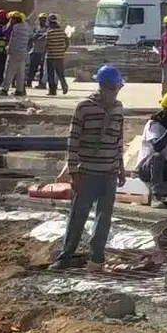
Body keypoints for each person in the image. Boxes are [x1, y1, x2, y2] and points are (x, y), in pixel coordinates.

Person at [49, 64, 127, 272]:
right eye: (112, 88)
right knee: (78, 215)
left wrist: (120, 167)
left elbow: (119, 139)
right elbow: (73, 141)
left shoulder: (118, 108)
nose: (114, 92)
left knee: (104, 218)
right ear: (103, 86)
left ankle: (97, 258)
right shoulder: (84, 107)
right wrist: (74, 172)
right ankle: (66, 255)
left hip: (108, 172)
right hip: (87, 173)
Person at [1, 11, 32, 96]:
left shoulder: (14, 27)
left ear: (14, 19)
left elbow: (5, 32)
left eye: (11, 19)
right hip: (23, 53)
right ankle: (19, 90)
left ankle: (4, 89)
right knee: (20, 72)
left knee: (9, 72)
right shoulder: (26, 27)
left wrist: (9, 24)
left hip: (14, 52)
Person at [44, 13, 70, 95]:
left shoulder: (49, 33)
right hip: (60, 56)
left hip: (51, 56)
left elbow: (46, 45)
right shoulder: (62, 32)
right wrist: (63, 50)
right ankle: (64, 85)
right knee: (60, 73)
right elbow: (67, 42)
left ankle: (52, 91)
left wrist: (45, 53)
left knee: (51, 74)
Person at [27, 13, 48, 89]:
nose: (42, 21)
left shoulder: (47, 28)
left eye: (44, 19)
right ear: (39, 20)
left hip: (43, 52)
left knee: (42, 69)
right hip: (35, 51)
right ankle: (29, 83)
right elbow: (32, 37)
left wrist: (38, 36)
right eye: (41, 19)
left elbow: (45, 37)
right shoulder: (36, 28)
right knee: (32, 68)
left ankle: (41, 84)